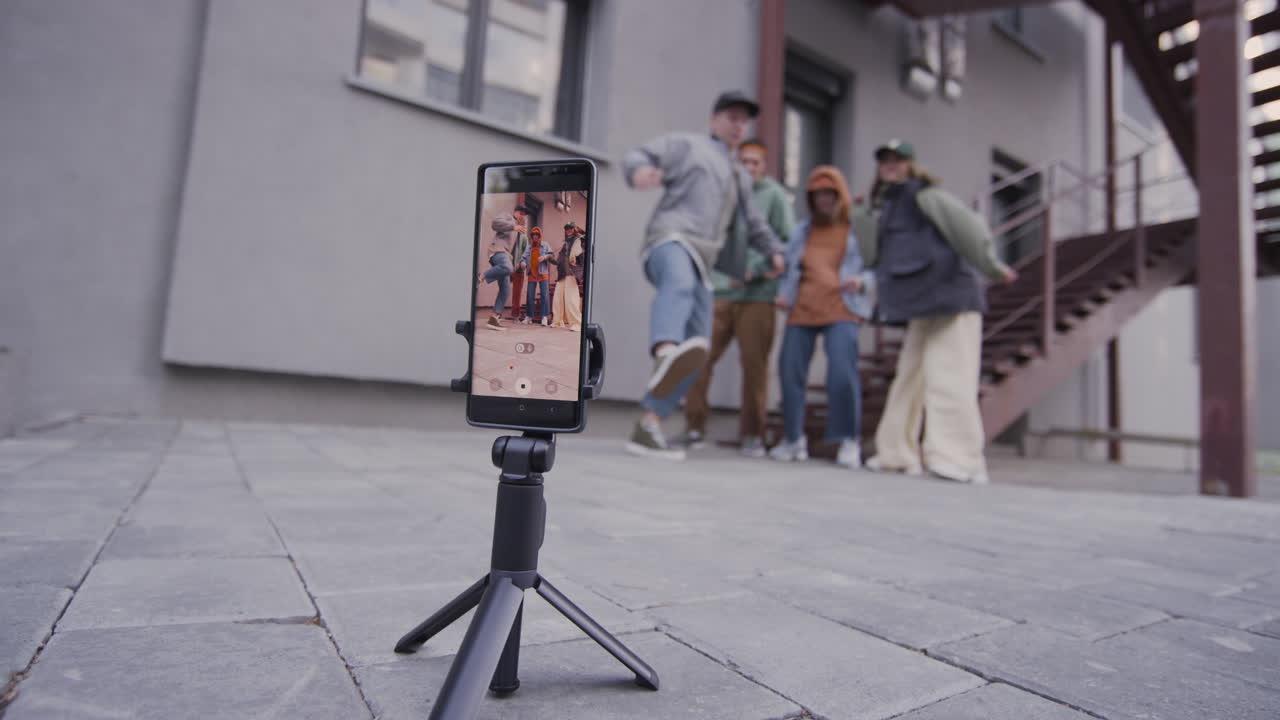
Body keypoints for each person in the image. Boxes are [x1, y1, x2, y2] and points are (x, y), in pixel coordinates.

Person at [621, 90, 786, 460]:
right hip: (670, 240)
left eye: (744, 120)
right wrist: (639, 171)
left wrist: (775, 250)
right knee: (678, 287)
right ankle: (665, 350)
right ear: (714, 120)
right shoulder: (687, 146)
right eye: (731, 117)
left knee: (698, 351)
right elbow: (639, 154)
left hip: (704, 261)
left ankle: (649, 425)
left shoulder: (741, 176)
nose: (738, 124)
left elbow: (755, 223)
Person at [859, 140, 1018, 484]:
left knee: (948, 377)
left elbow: (970, 229)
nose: (890, 165)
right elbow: (874, 255)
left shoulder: (928, 196)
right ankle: (896, 454)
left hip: (951, 297)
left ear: (911, 165)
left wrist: (990, 267)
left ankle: (961, 459)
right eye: (884, 159)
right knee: (908, 378)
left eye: (897, 159)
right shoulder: (886, 207)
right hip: (922, 302)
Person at [679, 138, 795, 457]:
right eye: (743, 161)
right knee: (699, 358)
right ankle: (694, 427)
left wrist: (753, 269)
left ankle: (753, 436)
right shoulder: (723, 193)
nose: (748, 167)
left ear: (763, 166)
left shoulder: (774, 196)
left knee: (754, 366)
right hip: (721, 292)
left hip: (759, 296)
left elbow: (785, 241)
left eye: (755, 162)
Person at [770, 165, 874, 467]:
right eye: (817, 195)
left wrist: (863, 282)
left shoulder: (858, 228)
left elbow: (878, 267)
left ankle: (848, 440)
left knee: (842, 372)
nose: (824, 200)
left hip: (843, 308)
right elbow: (791, 268)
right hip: (802, 308)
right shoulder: (803, 229)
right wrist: (783, 292)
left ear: (840, 195)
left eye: (830, 194)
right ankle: (793, 440)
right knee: (789, 372)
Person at [479, 212, 517, 331]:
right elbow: (495, 224)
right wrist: (513, 226)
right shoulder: (508, 218)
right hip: (498, 251)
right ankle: (481, 277)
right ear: (518, 213)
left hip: (505, 255)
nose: (524, 218)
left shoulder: (518, 229)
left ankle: (494, 318)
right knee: (507, 267)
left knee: (505, 289)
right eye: (523, 214)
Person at [552, 221, 585, 331]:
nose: (568, 230)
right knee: (557, 299)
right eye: (566, 228)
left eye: (570, 228)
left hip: (572, 272)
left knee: (571, 299)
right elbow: (560, 258)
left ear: (575, 229)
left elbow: (582, 254)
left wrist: (577, 261)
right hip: (562, 274)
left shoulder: (579, 240)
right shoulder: (566, 243)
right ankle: (557, 321)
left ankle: (577, 323)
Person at [521, 227, 554, 327]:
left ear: (539, 236)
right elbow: (523, 258)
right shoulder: (529, 247)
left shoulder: (545, 244)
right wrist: (523, 263)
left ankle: (544, 317)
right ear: (531, 236)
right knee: (530, 295)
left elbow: (551, 254)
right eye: (533, 235)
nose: (535, 236)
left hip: (542, 273)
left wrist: (544, 257)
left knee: (544, 295)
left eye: (537, 235)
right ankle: (529, 316)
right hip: (532, 273)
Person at [508, 204, 532, 321]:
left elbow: (526, 252)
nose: (523, 217)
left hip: (518, 268)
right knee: (504, 288)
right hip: (506, 265)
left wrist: (520, 262)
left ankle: (515, 315)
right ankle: (497, 313)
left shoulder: (523, 236)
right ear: (515, 213)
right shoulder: (509, 230)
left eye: (525, 215)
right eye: (521, 214)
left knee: (517, 292)